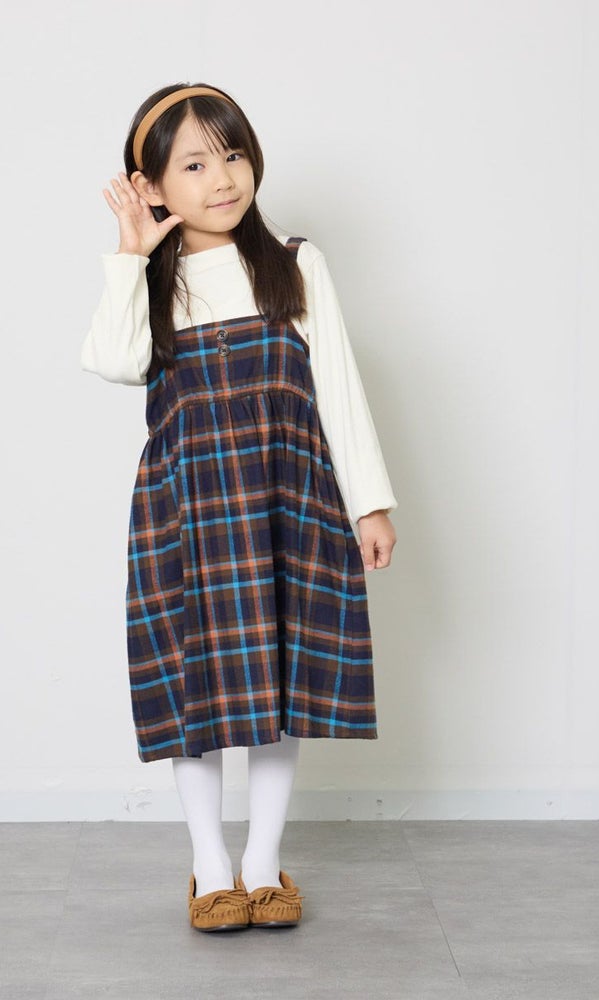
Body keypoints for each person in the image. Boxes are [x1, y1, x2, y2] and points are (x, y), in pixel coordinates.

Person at [81, 83, 398, 932]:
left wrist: (369, 503)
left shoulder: (293, 262)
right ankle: (209, 864)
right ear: (150, 186)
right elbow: (113, 362)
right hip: (187, 511)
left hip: (287, 499)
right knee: (196, 685)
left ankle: (261, 860)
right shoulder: (151, 283)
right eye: (193, 165)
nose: (221, 178)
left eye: (232, 155)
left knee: (277, 679)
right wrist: (130, 254)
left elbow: (339, 386)